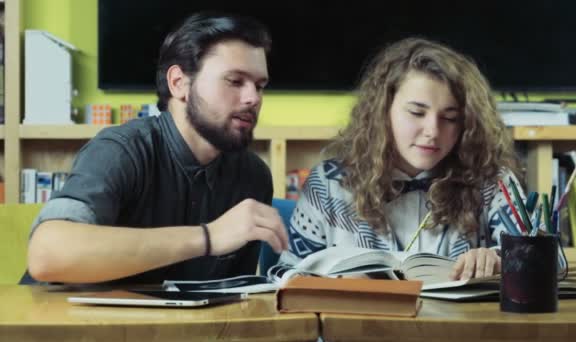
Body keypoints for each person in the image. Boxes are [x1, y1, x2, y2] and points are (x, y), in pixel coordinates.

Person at [26, 12, 288, 284]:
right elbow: (46, 254)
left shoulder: (253, 176)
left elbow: (233, 300)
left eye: (260, 86)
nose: (253, 98)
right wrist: (208, 237)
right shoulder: (120, 151)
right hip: (64, 323)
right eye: (235, 81)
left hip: (167, 328)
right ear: (179, 83)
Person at [288, 37, 525, 281]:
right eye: (416, 113)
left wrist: (498, 258)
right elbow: (285, 276)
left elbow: (550, 262)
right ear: (383, 110)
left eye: (451, 118)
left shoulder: (490, 180)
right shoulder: (328, 185)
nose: (432, 131)